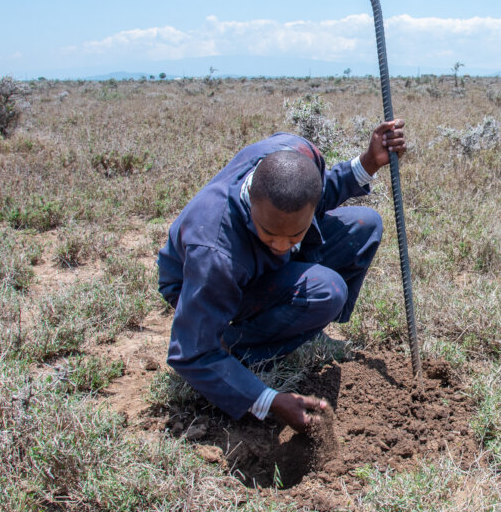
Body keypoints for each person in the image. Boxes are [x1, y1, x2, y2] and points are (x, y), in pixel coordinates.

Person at [157, 120, 406, 434]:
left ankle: (301, 323)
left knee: (364, 224)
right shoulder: (216, 251)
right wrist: (268, 399)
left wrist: (370, 161)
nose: (280, 246)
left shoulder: (298, 152)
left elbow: (319, 192)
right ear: (252, 207)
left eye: (294, 236)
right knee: (326, 291)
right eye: (269, 234)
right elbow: (189, 353)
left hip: (249, 260)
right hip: (201, 281)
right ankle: (236, 350)